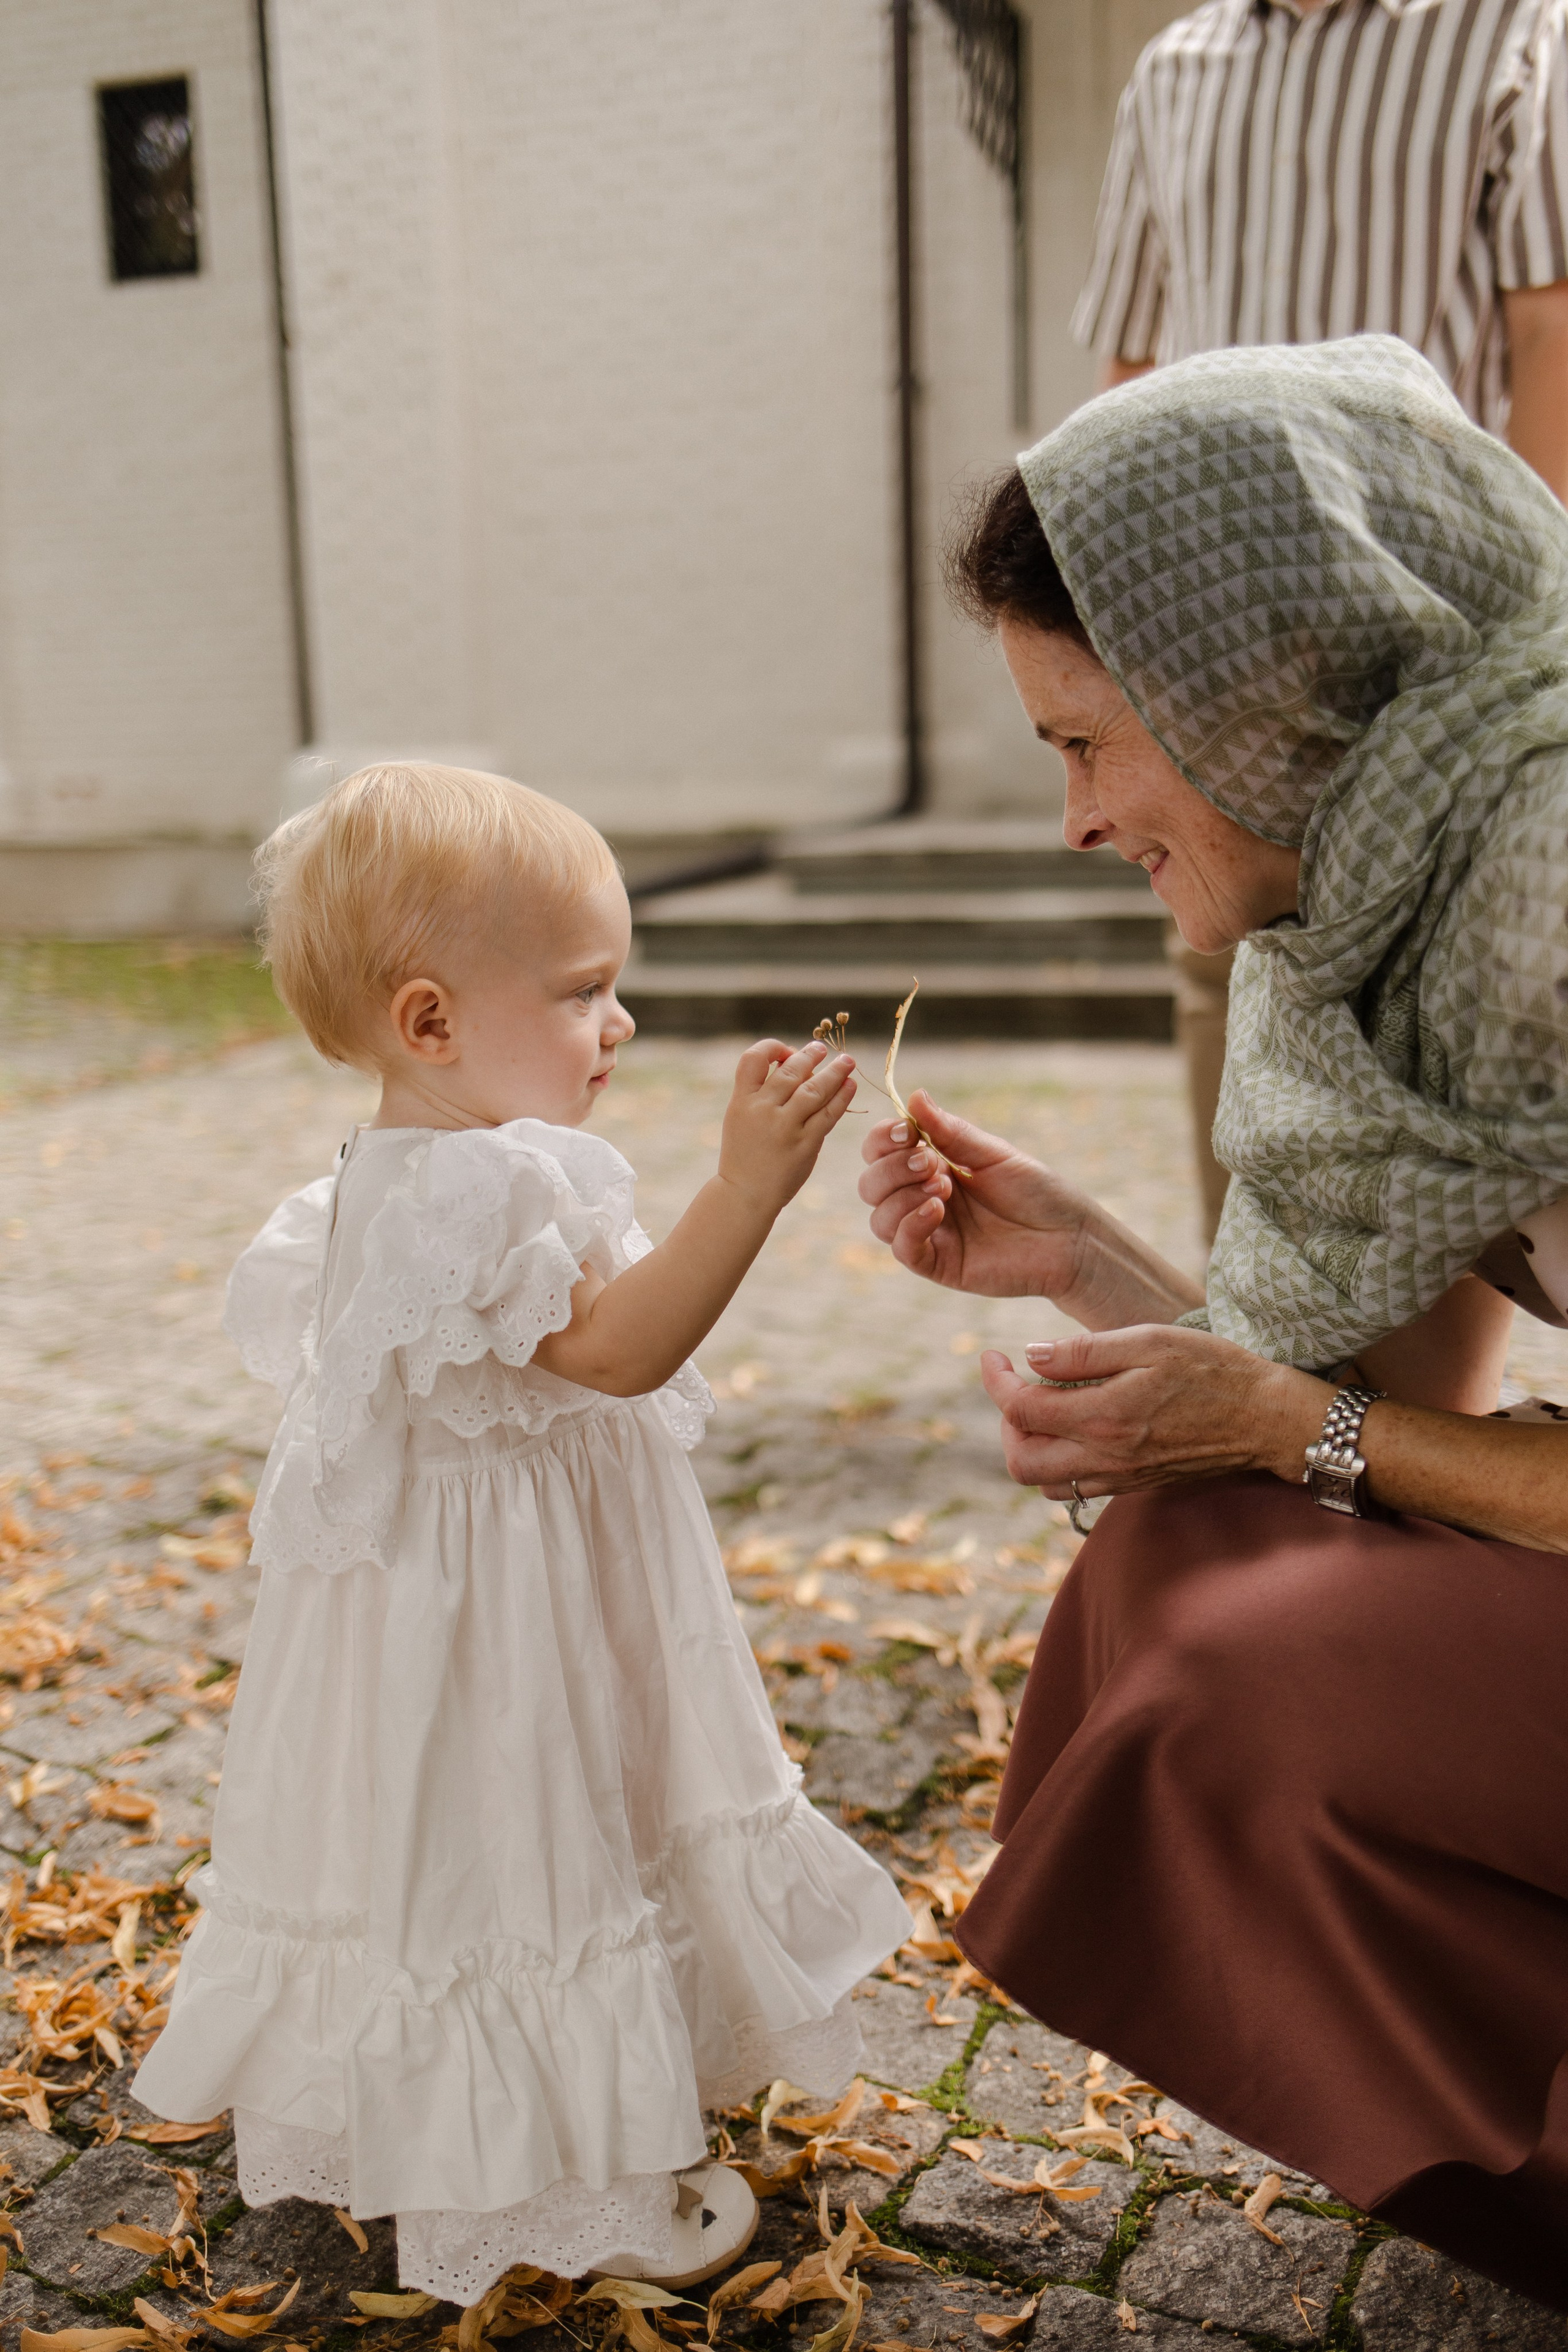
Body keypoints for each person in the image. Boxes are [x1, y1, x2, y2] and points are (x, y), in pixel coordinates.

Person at [861, 339, 1568, 2308]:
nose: (1076, 821)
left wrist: (1284, 1435)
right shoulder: (1370, 910)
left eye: (1089, 742)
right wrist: (1089, 1265)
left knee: (1246, 1672)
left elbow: (1328, 1438)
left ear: (1264, 692)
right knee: (1189, 1568)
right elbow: (1367, 1416)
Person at [133, 764, 910, 2303]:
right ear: (429, 1023)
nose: (616, 1025)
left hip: (504, 1594)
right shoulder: (465, 1189)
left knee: (537, 1840)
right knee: (524, 1846)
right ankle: (555, 2188)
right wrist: (745, 1191)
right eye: (583, 992)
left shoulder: (436, 1165)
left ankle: (563, 2109)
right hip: (498, 1626)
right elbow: (620, 1351)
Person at [1074, 0, 1568, 1239]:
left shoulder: (1509, 29)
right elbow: (1129, 369)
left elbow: (1546, 326)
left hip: (1419, 616)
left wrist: (1531, 625)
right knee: (1223, 955)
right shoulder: (1173, 69)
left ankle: (1415, 1381)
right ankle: (1257, 1359)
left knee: (1445, 972)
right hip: (1215, 631)